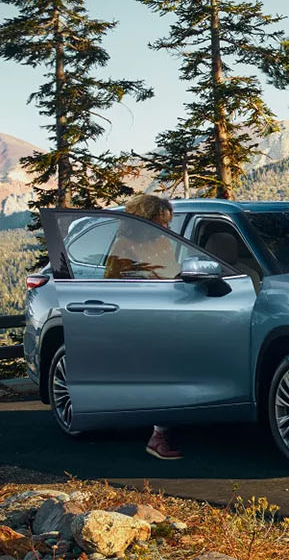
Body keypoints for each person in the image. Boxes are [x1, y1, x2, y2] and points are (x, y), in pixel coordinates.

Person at [115, 194, 185, 460]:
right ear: (143, 221)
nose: (166, 228)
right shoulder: (125, 244)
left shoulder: (163, 241)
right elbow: (113, 281)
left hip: (170, 310)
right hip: (141, 314)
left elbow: (174, 272)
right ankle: (158, 436)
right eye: (161, 222)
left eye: (168, 222)